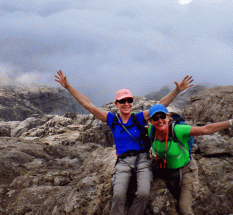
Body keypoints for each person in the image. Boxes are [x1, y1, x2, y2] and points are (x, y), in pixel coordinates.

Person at [54, 70, 194, 215]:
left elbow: (158, 107)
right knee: (119, 194)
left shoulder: (138, 118)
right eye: (122, 101)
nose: (126, 104)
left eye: (129, 101)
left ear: (132, 102)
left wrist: (177, 90)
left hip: (143, 160)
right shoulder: (112, 120)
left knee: (144, 193)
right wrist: (68, 87)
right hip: (123, 162)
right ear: (116, 104)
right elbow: (88, 105)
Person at [147, 104, 233, 215]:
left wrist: (232, 122)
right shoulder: (151, 131)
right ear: (151, 121)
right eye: (155, 118)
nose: (160, 120)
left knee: (184, 210)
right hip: (168, 172)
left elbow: (206, 129)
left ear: (168, 117)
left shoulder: (178, 130)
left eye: (162, 116)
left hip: (186, 172)